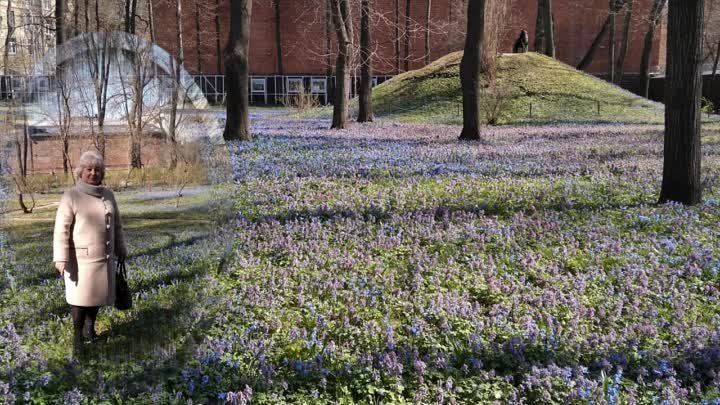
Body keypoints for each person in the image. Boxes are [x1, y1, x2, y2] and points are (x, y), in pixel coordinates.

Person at [53, 151, 127, 356]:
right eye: (89, 169)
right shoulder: (71, 196)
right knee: (79, 300)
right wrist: (60, 257)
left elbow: (118, 225)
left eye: (97, 170)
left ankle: (90, 330)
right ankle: (77, 337)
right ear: (81, 172)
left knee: (97, 297)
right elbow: (61, 228)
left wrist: (121, 248)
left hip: (104, 257)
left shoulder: (108, 194)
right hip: (80, 260)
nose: (93, 173)